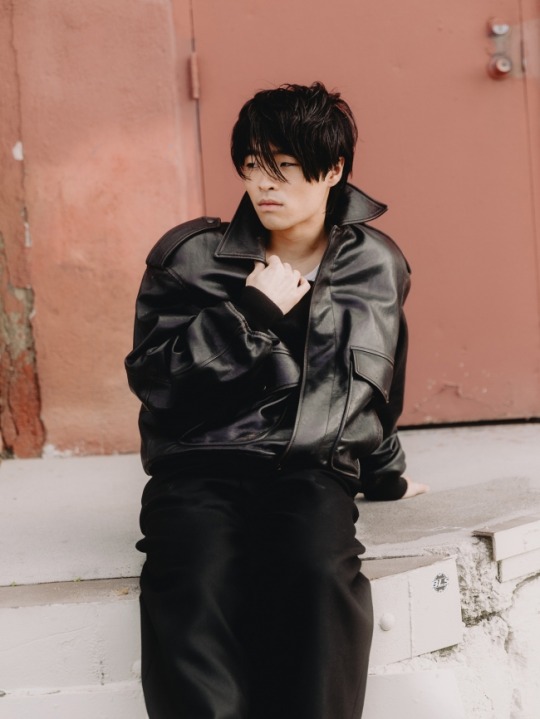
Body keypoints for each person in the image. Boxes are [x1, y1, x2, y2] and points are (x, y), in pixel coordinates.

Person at [125, 81, 428, 719]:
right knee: (194, 572)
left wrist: (385, 472)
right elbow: (156, 381)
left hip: (312, 467)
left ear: (334, 170)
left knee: (317, 570)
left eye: (284, 167)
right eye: (252, 166)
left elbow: (380, 384)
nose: (264, 184)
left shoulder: (377, 265)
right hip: (200, 464)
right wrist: (249, 314)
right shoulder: (190, 258)